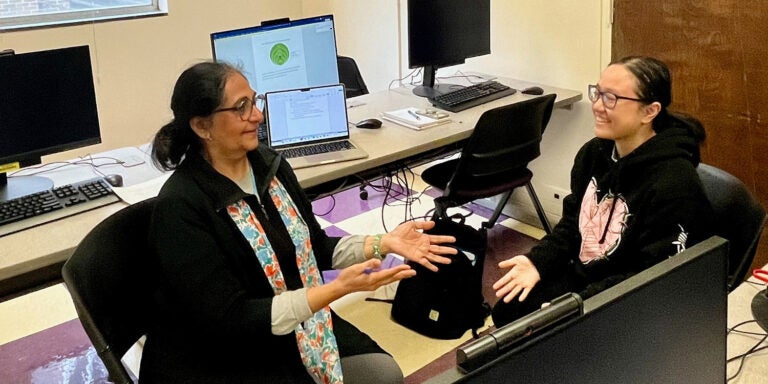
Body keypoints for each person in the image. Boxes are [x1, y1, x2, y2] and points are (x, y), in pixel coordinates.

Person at [143, 61, 457, 383]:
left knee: (385, 374)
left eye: (254, 101)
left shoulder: (269, 167)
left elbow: (314, 248)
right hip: (226, 353)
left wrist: (382, 242)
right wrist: (335, 290)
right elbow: (230, 319)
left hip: (296, 323)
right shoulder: (182, 206)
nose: (257, 115)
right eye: (241, 107)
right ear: (202, 127)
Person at [491, 56, 715, 327]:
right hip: (586, 276)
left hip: (629, 299)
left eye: (612, 98)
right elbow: (574, 224)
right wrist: (538, 262)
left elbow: (650, 276)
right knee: (507, 311)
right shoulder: (594, 153)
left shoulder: (674, 184)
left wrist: (579, 304)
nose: (597, 106)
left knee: (536, 335)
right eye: (597, 93)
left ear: (650, 111)